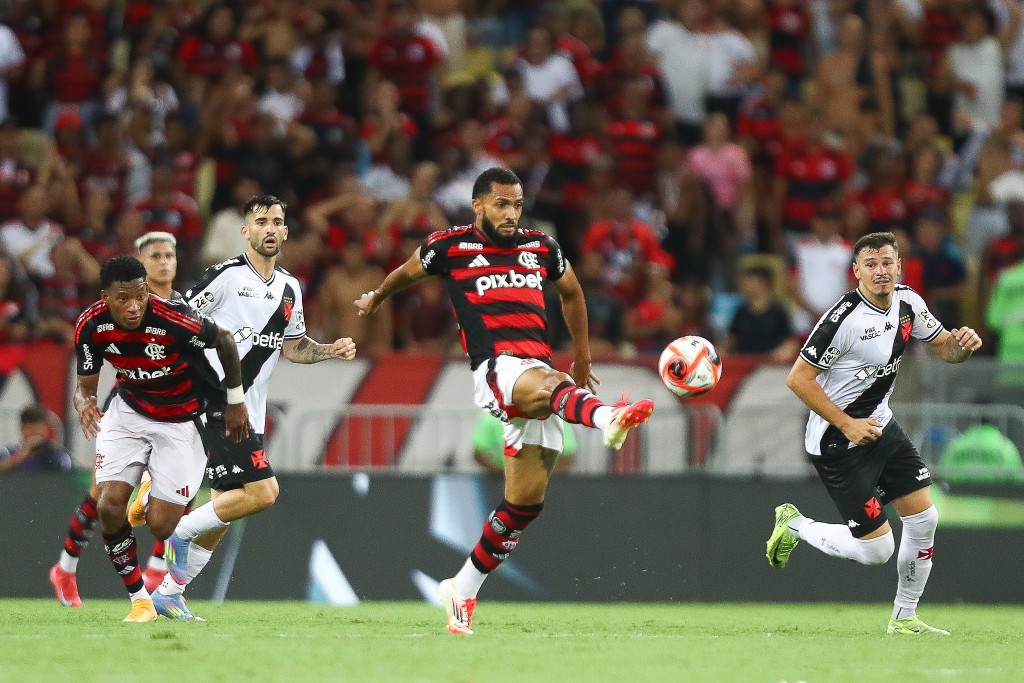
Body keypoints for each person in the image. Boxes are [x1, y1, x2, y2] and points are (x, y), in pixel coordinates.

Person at [354, 167, 655, 635]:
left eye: (516, 204)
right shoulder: (449, 246)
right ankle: (608, 417)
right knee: (551, 385)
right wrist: (377, 296)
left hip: (538, 373)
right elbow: (406, 272)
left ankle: (461, 588)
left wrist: (583, 356)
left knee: (523, 505)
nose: (511, 213)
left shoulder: (542, 247)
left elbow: (573, 293)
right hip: (497, 368)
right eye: (501, 204)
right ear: (478, 205)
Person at [143, 194, 357, 620]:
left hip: (250, 411)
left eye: (277, 221)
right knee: (264, 492)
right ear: (246, 231)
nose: (270, 228)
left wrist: (329, 350)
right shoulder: (225, 277)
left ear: (286, 231)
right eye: (261, 222)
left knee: (223, 510)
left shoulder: (290, 288)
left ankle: (169, 592)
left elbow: (293, 347)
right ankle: (179, 532)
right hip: (218, 401)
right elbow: (178, 318)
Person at [766, 231, 983, 636]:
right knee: (877, 550)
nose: (880, 271)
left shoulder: (909, 303)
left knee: (925, 518)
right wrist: (847, 423)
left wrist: (964, 346)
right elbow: (798, 379)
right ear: (857, 272)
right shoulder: (842, 320)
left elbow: (947, 350)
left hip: (881, 426)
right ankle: (795, 524)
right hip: (836, 441)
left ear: (899, 266)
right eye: (871, 264)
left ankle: (904, 618)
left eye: (887, 262)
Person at [71, 255, 249, 623]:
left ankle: (151, 487)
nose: (134, 307)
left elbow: (225, 339)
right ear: (105, 297)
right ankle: (140, 601)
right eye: (123, 299)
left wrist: (235, 401)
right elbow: (84, 387)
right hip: (129, 412)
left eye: (140, 296)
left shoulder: (173, 317)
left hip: (182, 419)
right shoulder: (90, 325)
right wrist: (85, 403)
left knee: (162, 526)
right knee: (108, 506)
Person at [48, 232, 188, 608]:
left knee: (182, 488)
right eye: (155, 256)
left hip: (175, 410)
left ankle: (156, 567)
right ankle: (65, 568)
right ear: (140, 264)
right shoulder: (115, 310)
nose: (163, 262)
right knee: (103, 495)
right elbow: (87, 379)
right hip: (129, 405)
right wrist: (87, 402)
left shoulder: (184, 309)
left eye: (170, 255)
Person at [473, 410, 575, 475]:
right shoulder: (492, 416)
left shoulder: (554, 418)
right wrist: (503, 475)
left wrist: (547, 478)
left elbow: (567, 455)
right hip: (501, 484)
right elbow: (479, 453)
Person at [0, 404, 73, 473]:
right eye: (31, 429)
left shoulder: (54, 454)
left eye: (39, 429)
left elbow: (66, 467)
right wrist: (22, 454)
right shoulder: (9, 452)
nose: (35, 434)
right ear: (22, 428)